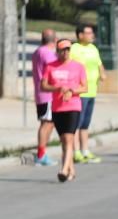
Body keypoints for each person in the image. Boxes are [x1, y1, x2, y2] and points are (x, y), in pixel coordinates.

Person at [40, 39, 87, 182]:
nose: (65, 52)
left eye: (68, 49)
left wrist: (72, 91)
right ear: (58, 51)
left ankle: (64, 169)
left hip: (73, 106)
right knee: (64, 141)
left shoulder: (78, 66)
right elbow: (43, 86)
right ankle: (71, 169)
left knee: (68, 138)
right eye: (62, 50)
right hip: (57, 108)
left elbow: (85, 87)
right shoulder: (50, 66)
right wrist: (58, 88)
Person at [70, 24, 106, 164]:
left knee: (85, 124)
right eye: (88, 33)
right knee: (77, 124)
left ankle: (85, 150)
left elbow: (99, 63)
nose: (92, 35)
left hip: (92, 91)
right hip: (80, 92)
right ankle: (76, 151)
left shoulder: (93, 48)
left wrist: (102, 73)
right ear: (80, 35)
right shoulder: (74, 49)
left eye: (92, 33)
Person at [31, 29, 57, 166]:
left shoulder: (37, 52)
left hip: (40, 93)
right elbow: (54, 72)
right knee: (47, 123)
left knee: (47, 122)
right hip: (47, 94)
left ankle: (43, 152)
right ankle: (41, 155)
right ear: (55, 40)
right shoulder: (48, 54)